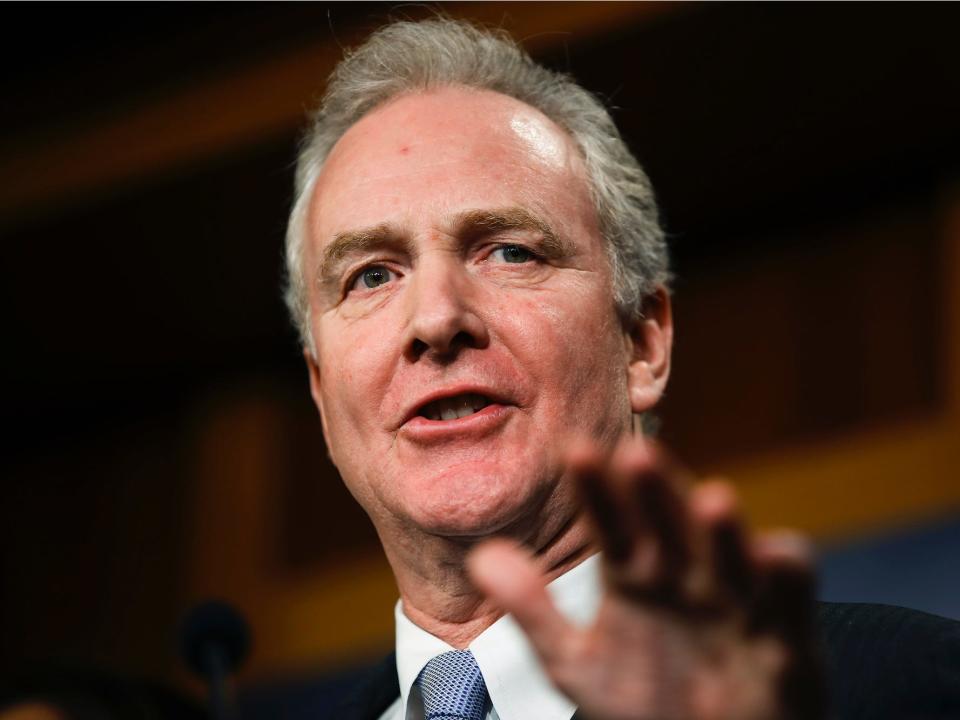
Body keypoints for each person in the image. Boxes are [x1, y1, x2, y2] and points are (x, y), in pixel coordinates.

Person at [281, 17, 960, 720]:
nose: (436, 320)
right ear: (324, 395)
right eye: (371, 276)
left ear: (642, 342)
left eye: (510, 251)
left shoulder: (904, 688)